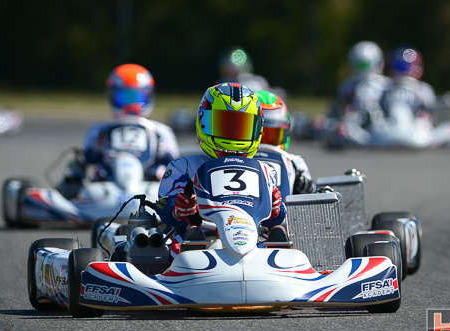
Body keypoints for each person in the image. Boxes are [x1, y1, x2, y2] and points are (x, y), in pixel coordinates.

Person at [155, 82, 286, 257]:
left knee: (275, 236)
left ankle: (277, 254)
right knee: (179, 245)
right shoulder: (184, 167)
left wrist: (277, 209)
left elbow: (275, 217)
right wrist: (177, 208)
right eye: (225, 125)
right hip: (199, 239)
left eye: (241, 127)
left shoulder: (264, 170)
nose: (233, 134)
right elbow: (164, 208)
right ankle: (195, 248)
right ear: (203, 122)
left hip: (249, 242)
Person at [59, 64, 180, 198]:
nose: (131, 105)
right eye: (124, 98)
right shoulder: (100, 130)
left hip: (150, 186)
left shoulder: (159, 131)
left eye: (137, 98)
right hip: (106, 187)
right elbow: (85, 159)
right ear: (111, 96)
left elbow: (175, 163)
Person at [253, 90, 316, 198]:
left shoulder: (295, 163)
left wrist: (307, 187)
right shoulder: (234, 159)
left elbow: (316, 197)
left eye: (273, 135)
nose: (265, 143)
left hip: (286, 212)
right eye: (260, 136)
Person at [327, 41, 391, 127]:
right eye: (357, 64)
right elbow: (337, 110)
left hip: (381, 125)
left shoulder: (386, 85)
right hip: (352, 125)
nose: (360, 69)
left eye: (364, 65)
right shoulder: (347, 86)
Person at [380, 46, 436, 121]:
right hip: (387, 129)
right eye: (399, 66)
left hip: (416, 130)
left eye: (407, 67)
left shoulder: (424, 90)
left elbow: (429, 115)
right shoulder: (384, 87)